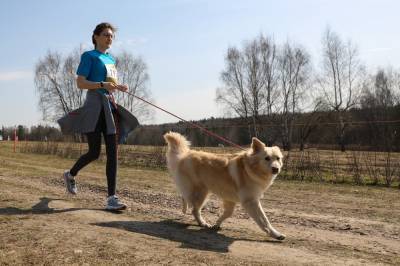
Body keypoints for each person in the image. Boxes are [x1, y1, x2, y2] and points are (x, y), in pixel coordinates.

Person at [58, 22, 139, 211]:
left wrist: (119, 87)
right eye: (105, 35)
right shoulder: (89, 56)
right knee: (94, 152)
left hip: (109, 108)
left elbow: (109, 84)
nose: (109, 38)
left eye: (111, 36)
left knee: (113, 153)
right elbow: (81, 83)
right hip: (94, 108)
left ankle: (111, 198)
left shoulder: (111, 59)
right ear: (95, 37)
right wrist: (102, 84)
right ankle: (70, 174)